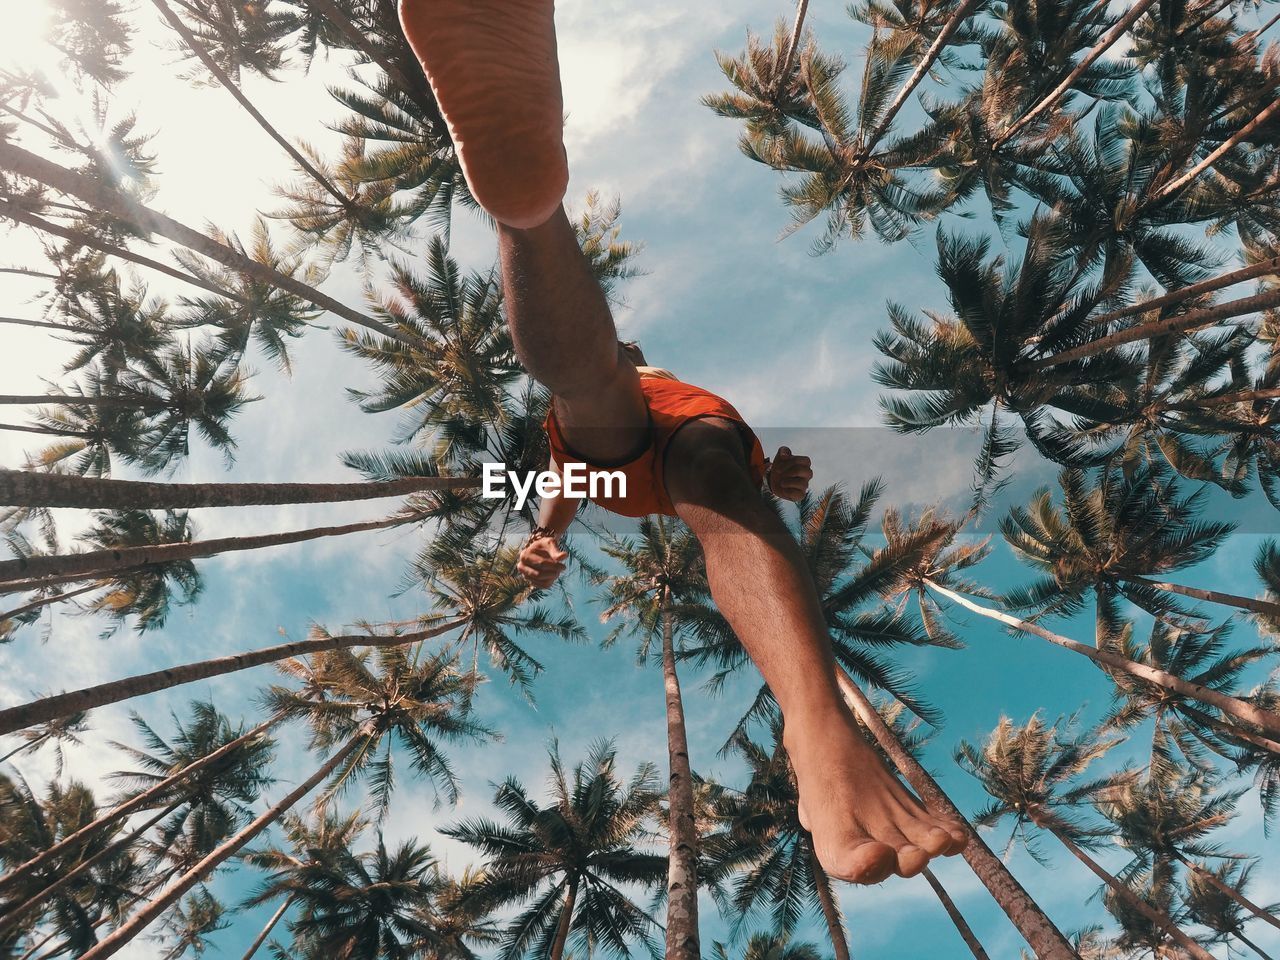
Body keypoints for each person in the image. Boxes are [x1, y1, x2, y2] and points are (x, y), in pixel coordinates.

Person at [398, 0, 967, 884]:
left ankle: (529, 212)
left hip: (654, 451)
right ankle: (815, 719)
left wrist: (554, 530)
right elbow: (574, 482)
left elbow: (569, 481)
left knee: (613, 409)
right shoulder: (658, 395)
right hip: (688, 448)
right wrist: (554, 527)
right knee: (701, 475)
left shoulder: (624, 396)